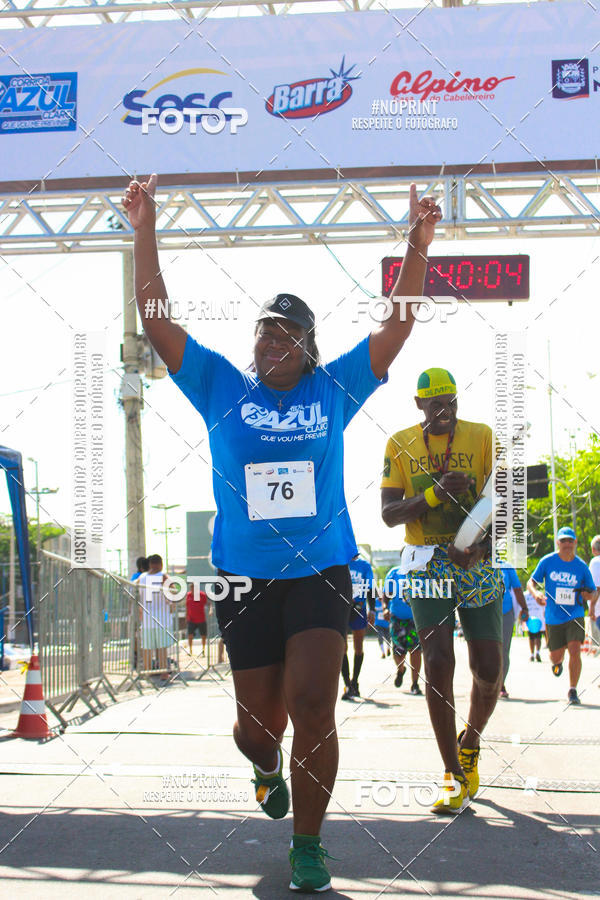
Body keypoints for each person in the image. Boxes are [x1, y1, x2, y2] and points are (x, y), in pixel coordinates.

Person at [123, 172, 441, 893]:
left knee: (313, 705)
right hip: (245, 575)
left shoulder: (334, 388)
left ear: (308, 348)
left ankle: (308, 844)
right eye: (266, 329)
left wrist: (417, 245)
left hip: (321, 568)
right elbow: (156, 319)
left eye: (289, 333)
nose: (275, 341)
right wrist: (145, 230)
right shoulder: (219, 385)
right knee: (258, 728)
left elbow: (396, 326)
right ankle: (267, 769)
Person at [381, 368, 503, 815]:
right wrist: (433, 495)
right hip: (426, 561)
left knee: (489, 668)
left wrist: (480, 547)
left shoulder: (482, 436)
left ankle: (470, 743)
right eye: (435, 404)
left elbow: (507, 506)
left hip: (478, 559)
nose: (445, 410)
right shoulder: (399, 443)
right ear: (419, 405)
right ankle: (452, 775)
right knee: (437, 661)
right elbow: (389, 515)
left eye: (450, 401)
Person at [527, 527, 596, 705]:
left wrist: (588, 595)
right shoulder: (547, 561)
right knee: (555, 656)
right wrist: (536, 594)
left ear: (575, 543)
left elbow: (593, 591)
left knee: (575, 649)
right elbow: (531, 582)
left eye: (570, 541)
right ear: (558, 542)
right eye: (563, 540)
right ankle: (558, 662)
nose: (567, 544)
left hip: (575, 614)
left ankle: (573, 690)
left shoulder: (581, 566)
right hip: (553, 616)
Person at [382, 565, 422, 695]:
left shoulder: (420, 572)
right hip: (397, 618)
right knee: (398, 652)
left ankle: (415, 684)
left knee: (415, 651)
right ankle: (401, 669)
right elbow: (386, 594)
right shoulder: (394, 573)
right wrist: (385, 608)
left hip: (415, 619)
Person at [341, 556, 377, 700]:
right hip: (342, 608)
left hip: (359, 608)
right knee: (342, 647)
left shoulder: (364, 565)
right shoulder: (340, 561)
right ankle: (347, 684)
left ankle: (355, 681)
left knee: (358, 647)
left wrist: (372, 609)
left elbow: (370, 587)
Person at [137, 554, 172, 681]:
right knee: (162, 647)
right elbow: (173, 592)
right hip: (162, 618)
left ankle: (147, 671)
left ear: (150, 564)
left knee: (147, 647)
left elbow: (136, 593)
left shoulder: (142, 577)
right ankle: (163, 672)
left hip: (147, 618)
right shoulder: (163, 576)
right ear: (161, 564)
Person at [499, 567, 528, 699]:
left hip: (505, 612)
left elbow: (517, 589)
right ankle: (485, 683)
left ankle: (500, 684)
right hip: (483, 611)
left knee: (503, 650)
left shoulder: (507, 567)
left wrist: (525, 608)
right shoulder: (477, 561)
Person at [522, 587, 546, 658]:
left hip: (537, 618)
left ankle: (535, 653)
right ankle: (534, 653)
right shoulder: (525, 594)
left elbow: (544, 605)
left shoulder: (539, 594)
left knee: (535, 637)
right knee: (534, 637)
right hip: (531, 619)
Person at [186, 581, 208, 656]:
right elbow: (187, 606)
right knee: (190, 635)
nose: (192, 590)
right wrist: (186, 617)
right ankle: (190, 651)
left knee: (203, 636)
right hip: (191, 619)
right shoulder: (188, 595)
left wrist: (211, 610)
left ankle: (203, 651)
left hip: (201, 619)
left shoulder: (202, 595)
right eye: (191, 588)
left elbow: (208, 604)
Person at [588, 535, 600, 655]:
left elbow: (597, 587)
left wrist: (591, 606)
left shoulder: (596, 562)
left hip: (598, 611)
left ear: (593, 549)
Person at [373, 593, 391, 659]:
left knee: (388, 637)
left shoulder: (388, 601)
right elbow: (372, 610)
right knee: (380, 637)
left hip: (386, 623)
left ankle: (388, 648)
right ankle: (383, 653)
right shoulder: (375, 601)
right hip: (378, 623)